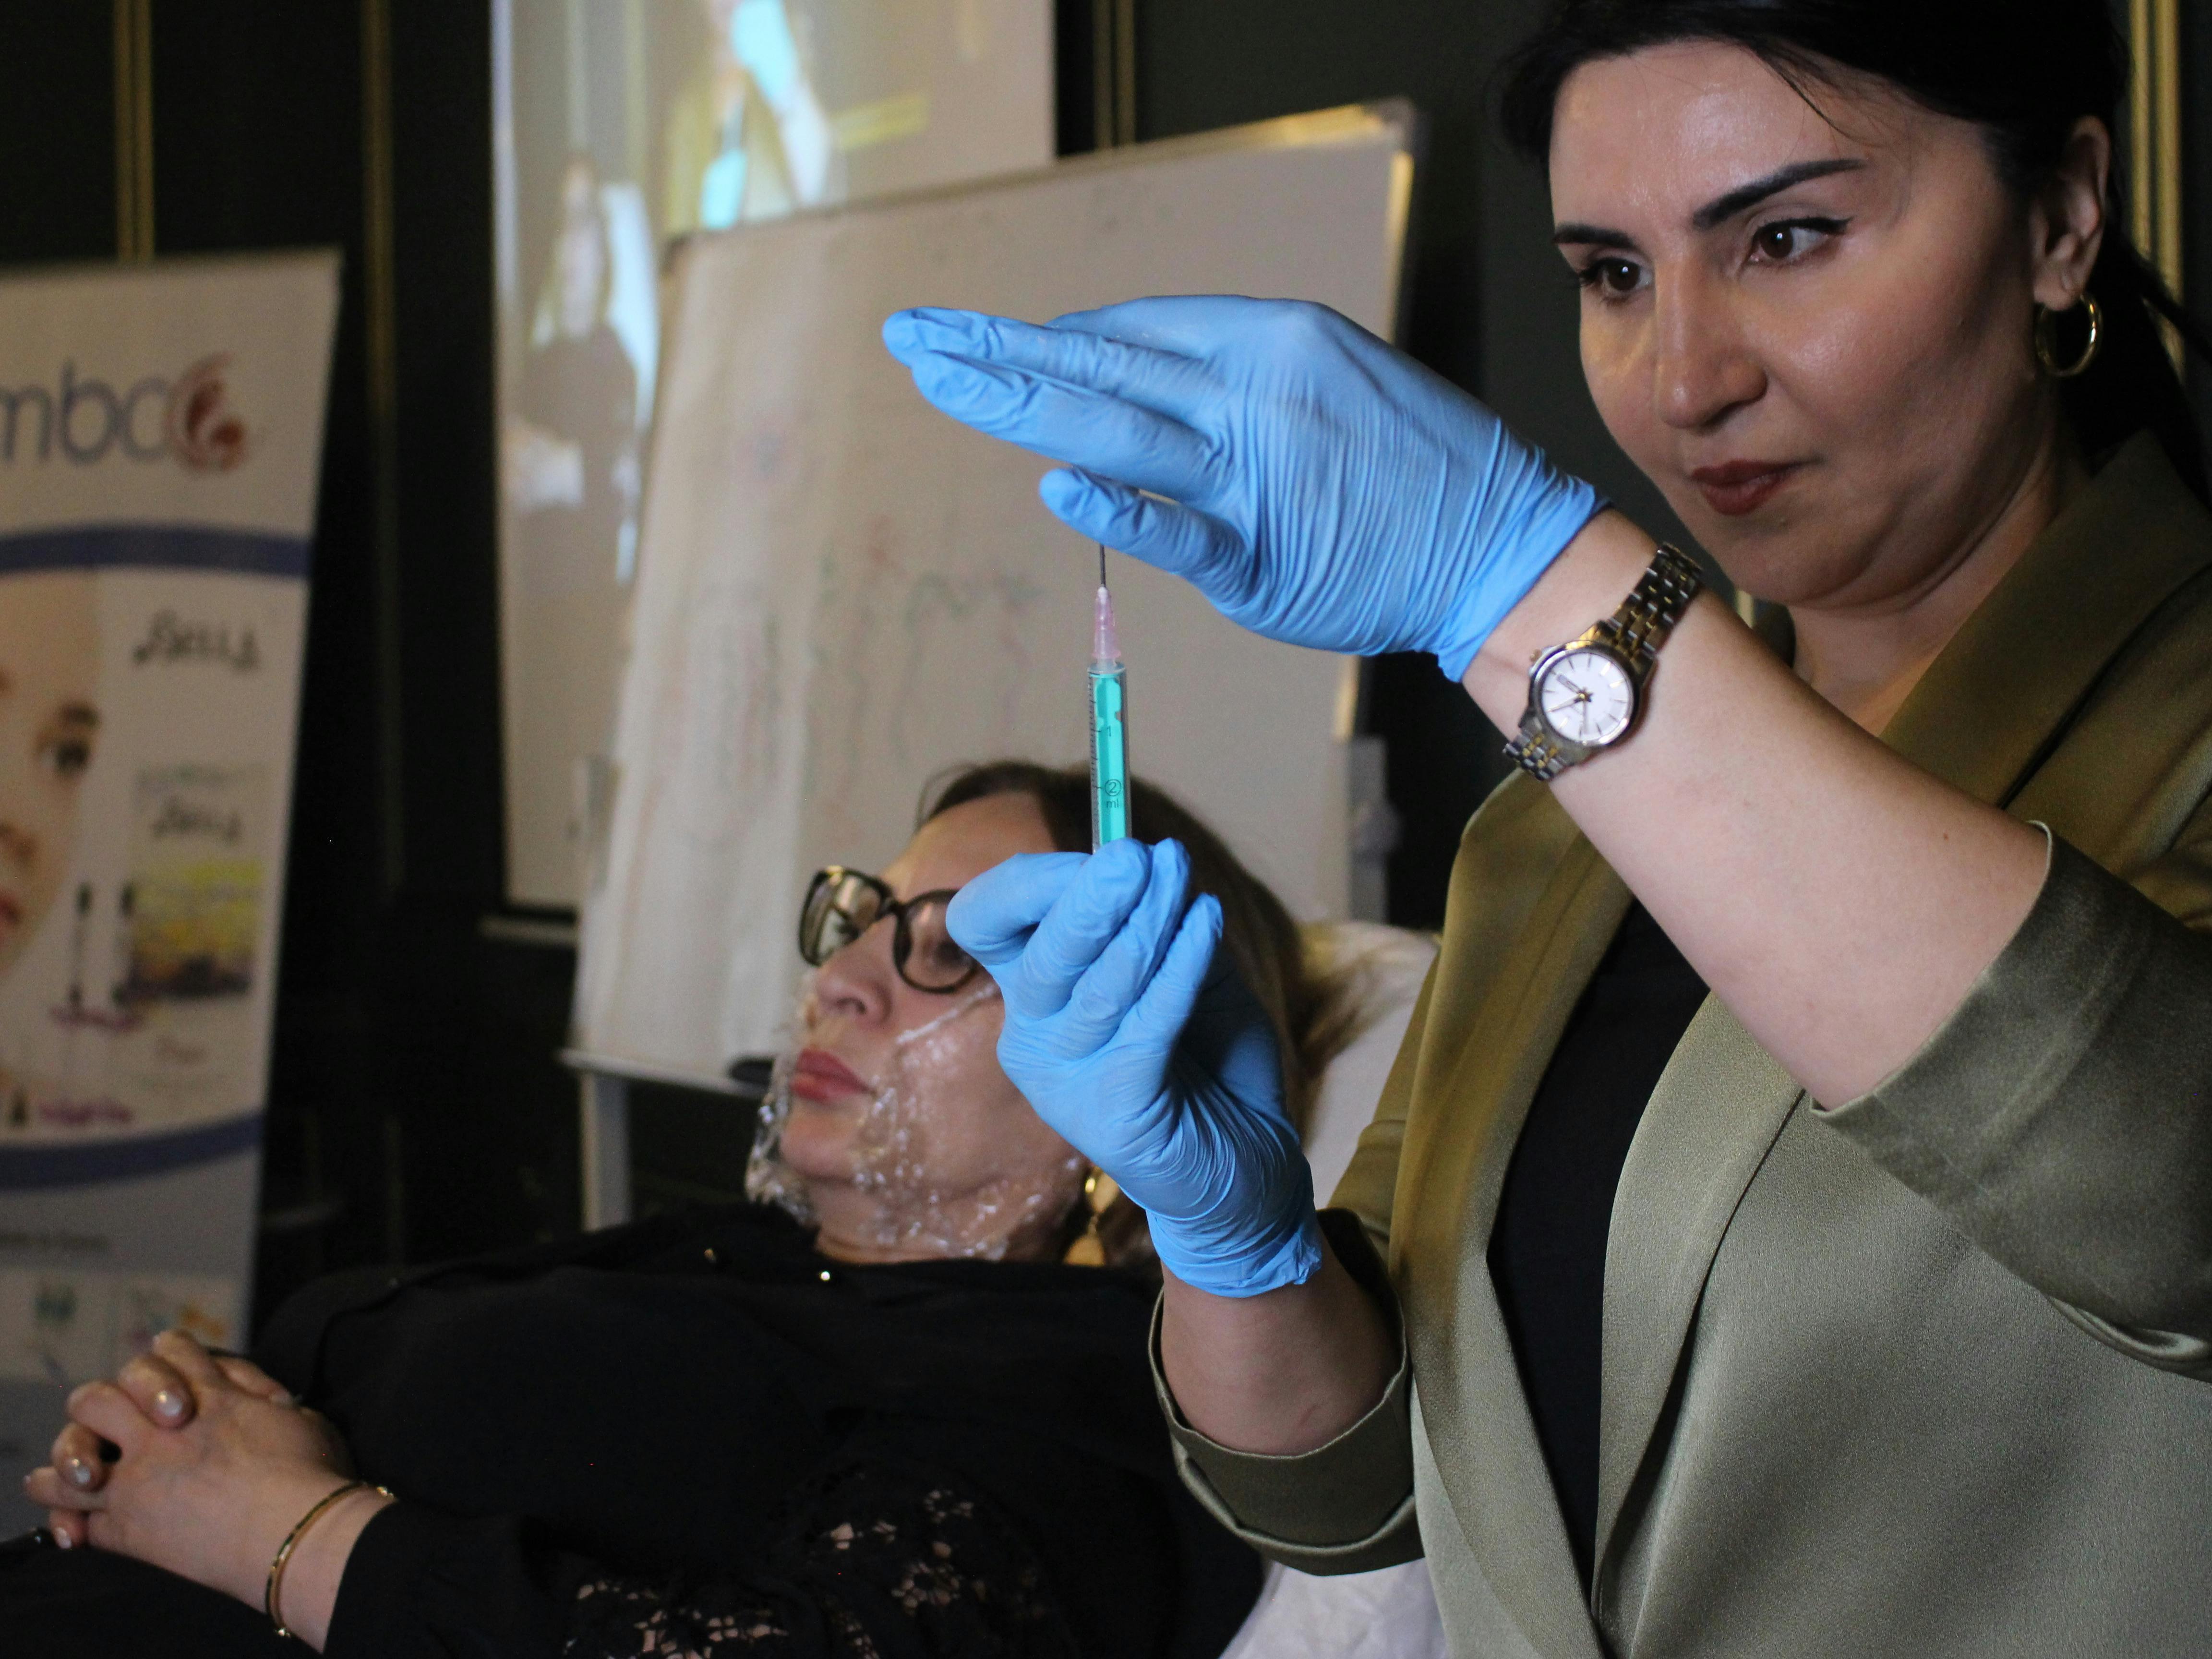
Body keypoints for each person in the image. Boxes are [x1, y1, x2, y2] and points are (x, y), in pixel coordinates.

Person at [878, 2, 2212, 1654]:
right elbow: (1359, 1492)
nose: (1685, 378)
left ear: (2063, 220)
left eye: (1786, 238)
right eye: (1613, 274)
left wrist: (1532, 586)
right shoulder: (1555, 835)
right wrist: (1240, 1242)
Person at [10, 763, 1334, 1659]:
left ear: (1136, 1061)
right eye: (863, 923)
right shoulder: (743, 1257)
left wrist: (279, 1532)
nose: (845, 986)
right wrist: (181, 1435)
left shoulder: (1066, 1384)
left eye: (950, 952)